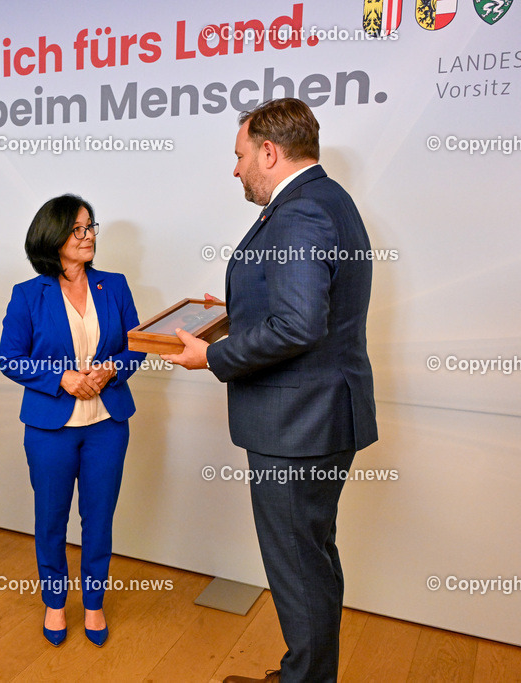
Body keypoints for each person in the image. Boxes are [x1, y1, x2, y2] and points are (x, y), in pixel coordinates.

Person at [165, 98, 378, 683]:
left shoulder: (298, 212)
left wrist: (212, 354)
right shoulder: (329, 198)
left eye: (239, 157)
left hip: (298, 425)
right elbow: (304, 305)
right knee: (311, 558)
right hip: (320, 416)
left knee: (298, 565)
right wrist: (240, 308)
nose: (235, 170)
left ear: (268, 151)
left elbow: (300, 326)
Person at [0, 195, 146, 648]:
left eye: (90, 226)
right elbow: (10, 358)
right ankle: (55, 602)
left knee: (98, 519)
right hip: (50, 429)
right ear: (54, 236)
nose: (89, 236)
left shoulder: (114, 285)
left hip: (108, 424)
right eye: (78, 229)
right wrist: (61, 377)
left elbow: (137, 344)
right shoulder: (28, 294)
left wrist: (113, 368)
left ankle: (95, 603)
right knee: (51, 519)